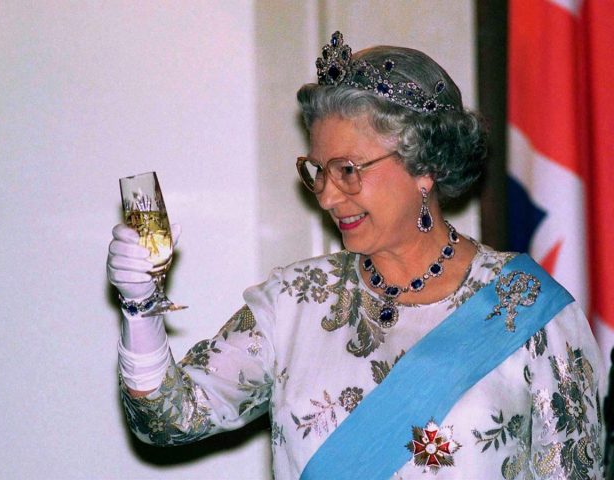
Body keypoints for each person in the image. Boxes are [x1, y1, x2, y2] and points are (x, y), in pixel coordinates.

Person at [107, 32, 604, 479]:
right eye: (318, 171)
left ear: (424, 165)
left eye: (347, 169)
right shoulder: (293, 304)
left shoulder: (530, 310)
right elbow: (167, 420)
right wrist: (140, 308)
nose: (325, 196)